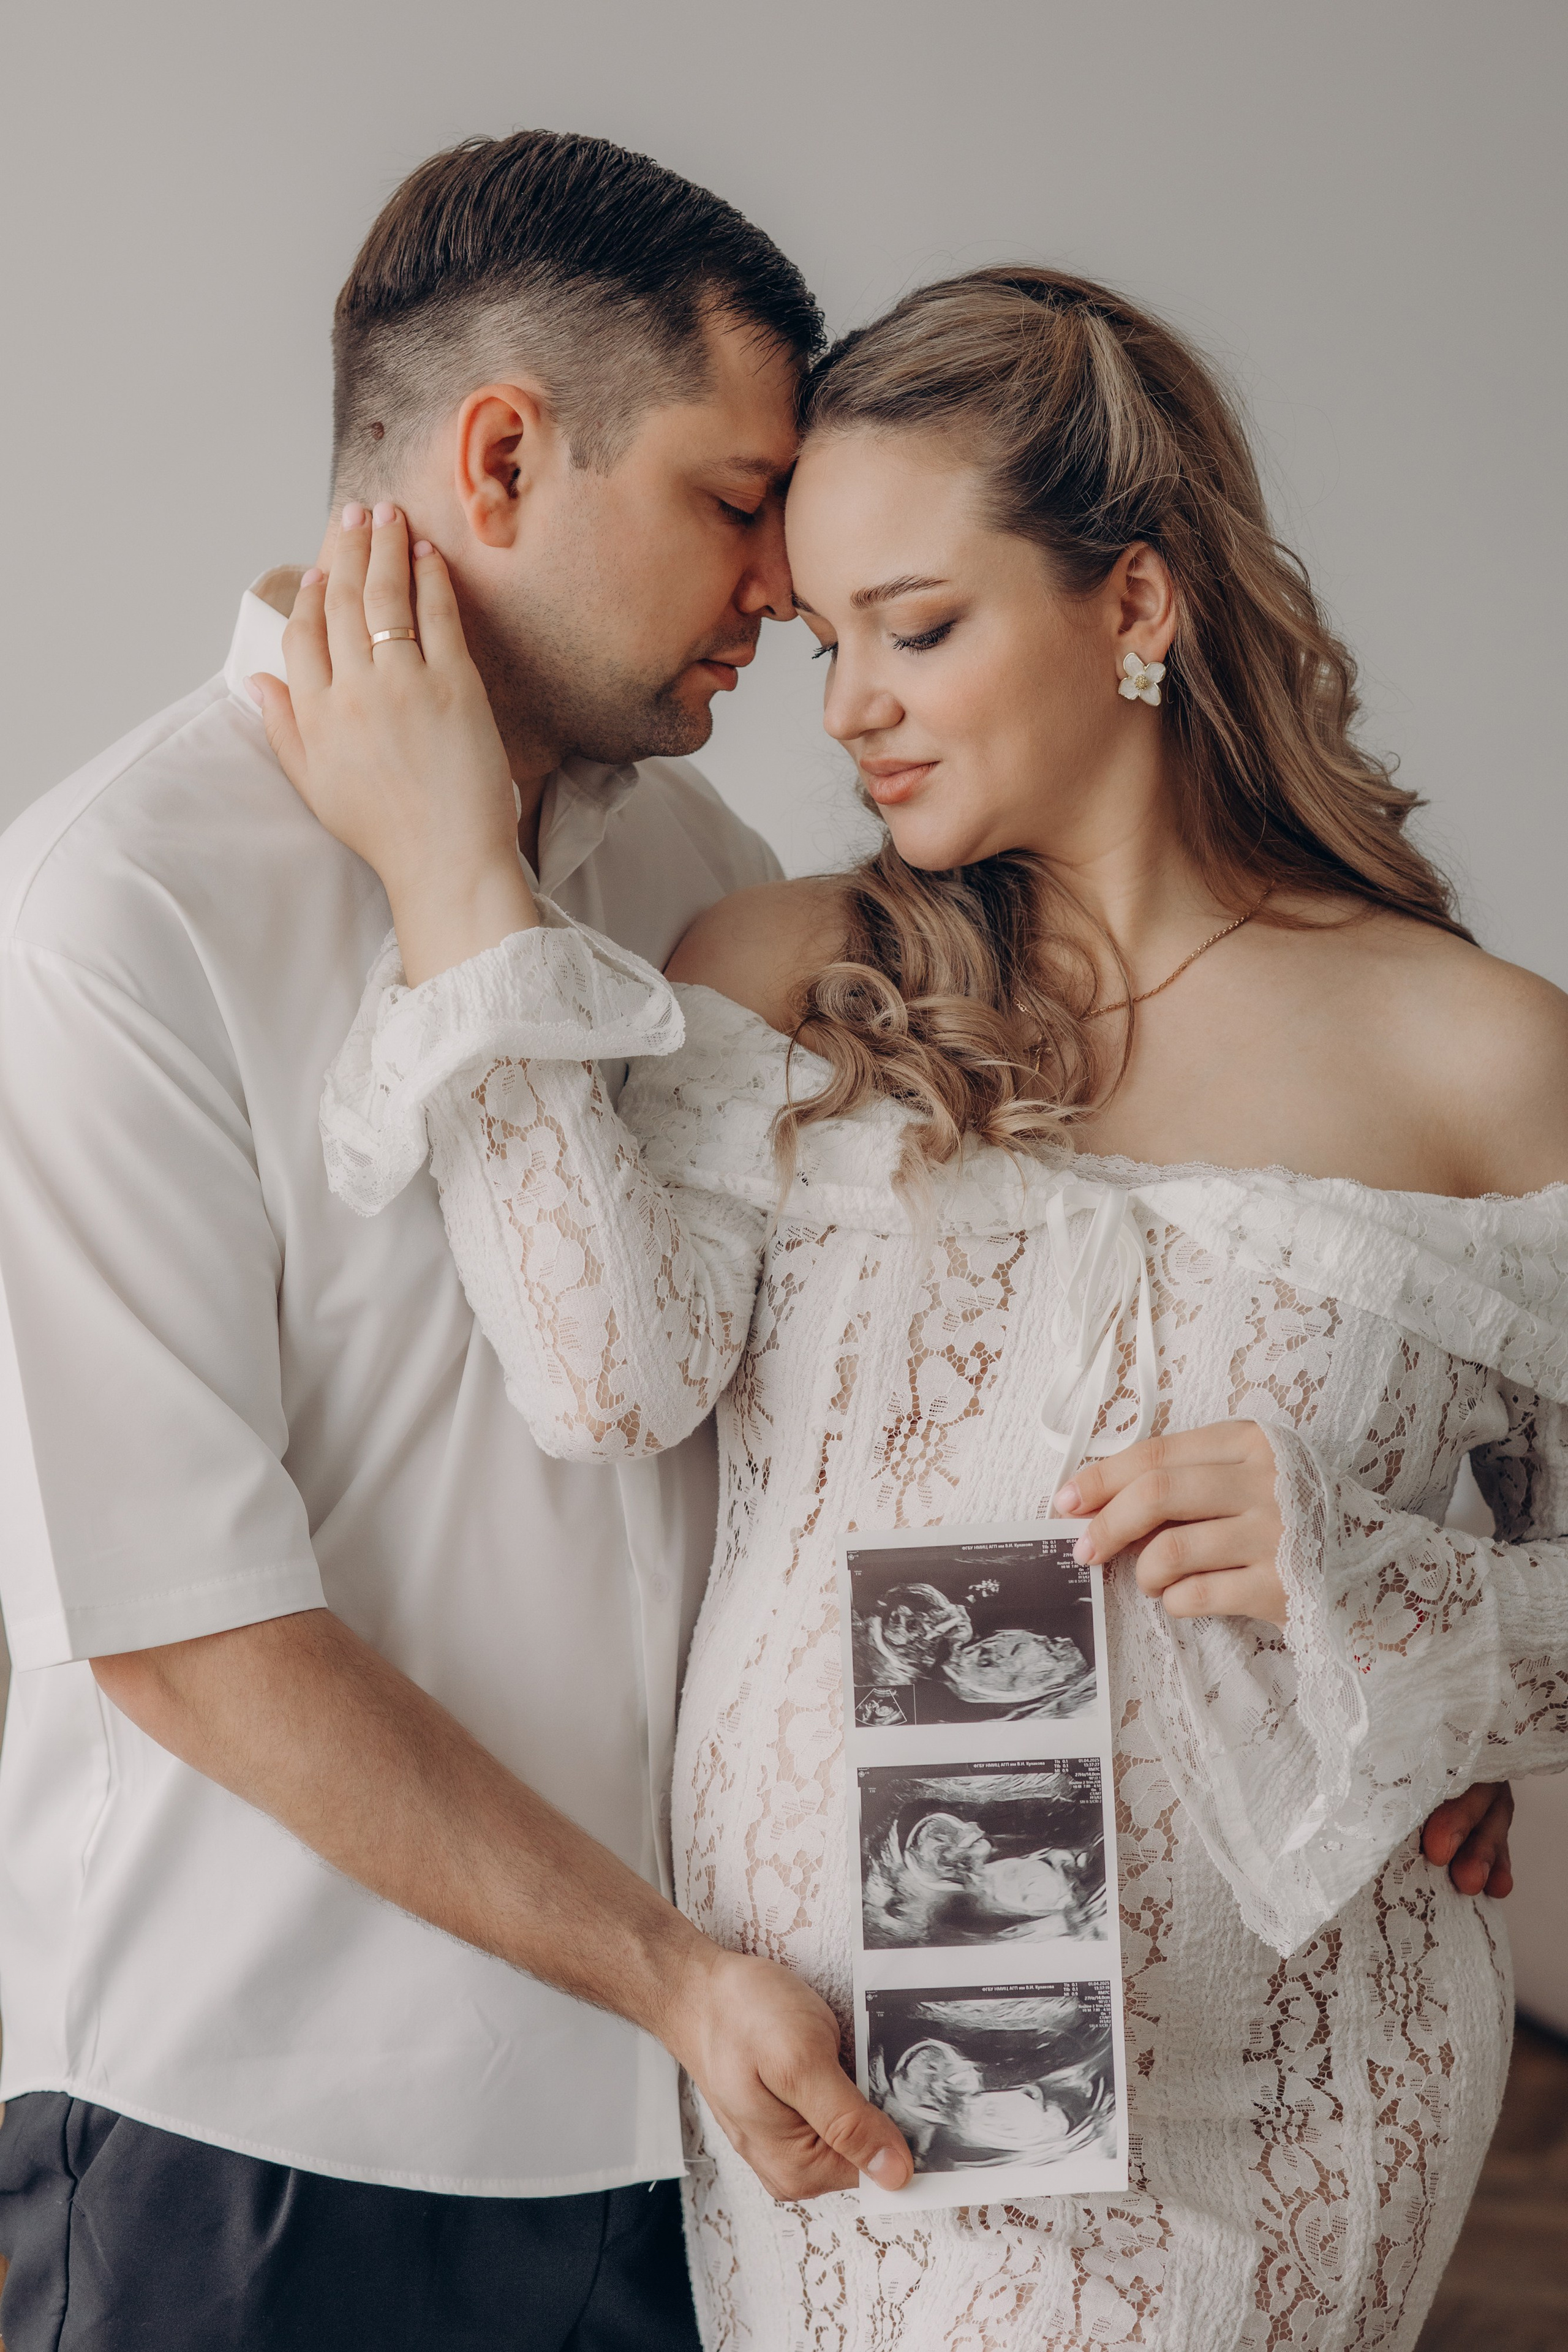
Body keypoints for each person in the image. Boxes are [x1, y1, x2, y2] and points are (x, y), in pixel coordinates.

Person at [262, 260, 1564, 2348]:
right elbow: (605, 1376)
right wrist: (449, 875)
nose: (850, 704)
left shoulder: (1484, 1057)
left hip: (1311, 2103)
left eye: (922, 628)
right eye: (826, 637)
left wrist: (1393, 1590)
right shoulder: (779, 965)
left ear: (1136, 606)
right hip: (864, 2075)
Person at [0, 129, 927, 2352]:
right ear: (503, 454)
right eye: (736, 499)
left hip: (700, 2136)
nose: (787, 589)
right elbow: (191, 1631)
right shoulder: (113, 907)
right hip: (260, 2149)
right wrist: (670, 1975)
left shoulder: (699, 862)